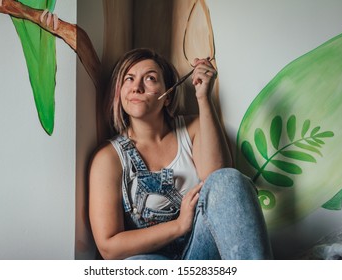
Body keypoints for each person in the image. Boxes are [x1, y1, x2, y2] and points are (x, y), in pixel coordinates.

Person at [89, 48, 272, 260]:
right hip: (152, 260)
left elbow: (219, 180)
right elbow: (109, 248)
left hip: (202, 250)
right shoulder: (108, 158)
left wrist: (204, 97)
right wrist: (178, 226)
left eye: (150, 78)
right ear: (119, 92)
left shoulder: (192, 127)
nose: (137, 88)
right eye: (129, 79)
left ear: (167, 95)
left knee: (229, 178)